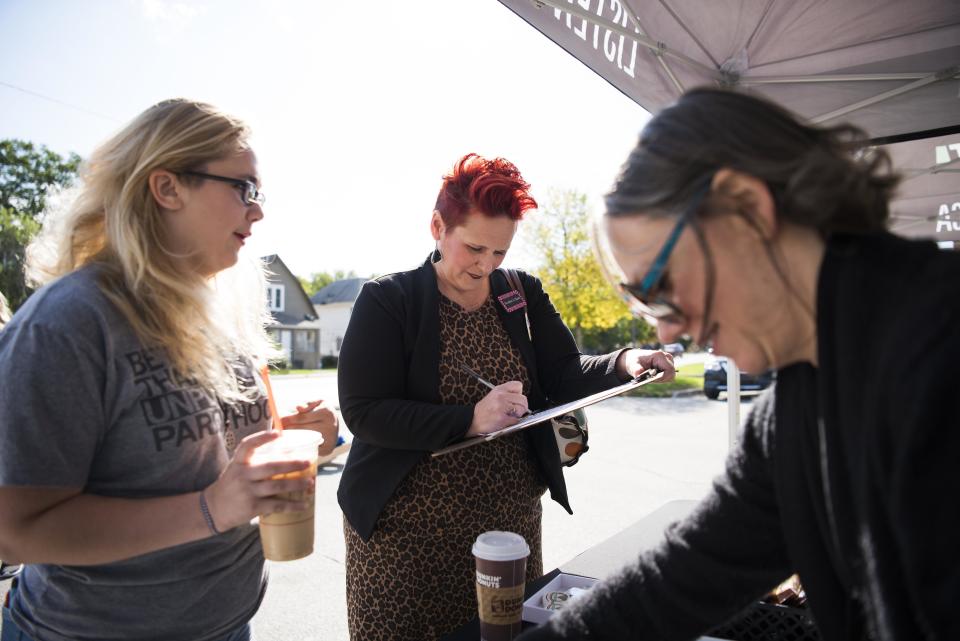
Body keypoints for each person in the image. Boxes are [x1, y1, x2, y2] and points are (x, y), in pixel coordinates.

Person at [518, 87, 960, 641]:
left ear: (748, 208)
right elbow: (672, 584)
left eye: (663, 286)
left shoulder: (938, 355)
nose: (667, 329)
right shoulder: (794, 408)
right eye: (645, 303)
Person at [0, 99, 339, 641]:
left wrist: (290, 443)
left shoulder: (215, 311)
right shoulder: (68, 324)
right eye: (243, 189)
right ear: (167, 188)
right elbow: (15, 531)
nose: (258, 211)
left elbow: (207, 458)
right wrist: (211, 508)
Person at [336, 152, 676, 641]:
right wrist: (470, 419)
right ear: (438, 227)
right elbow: (365, 412)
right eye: (474, 248)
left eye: (500, 253)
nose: (486, 266)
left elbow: (563, 373)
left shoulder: (521, 292)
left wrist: (625, 362)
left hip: (507, 530)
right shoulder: (389, 299)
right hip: (406, 543)